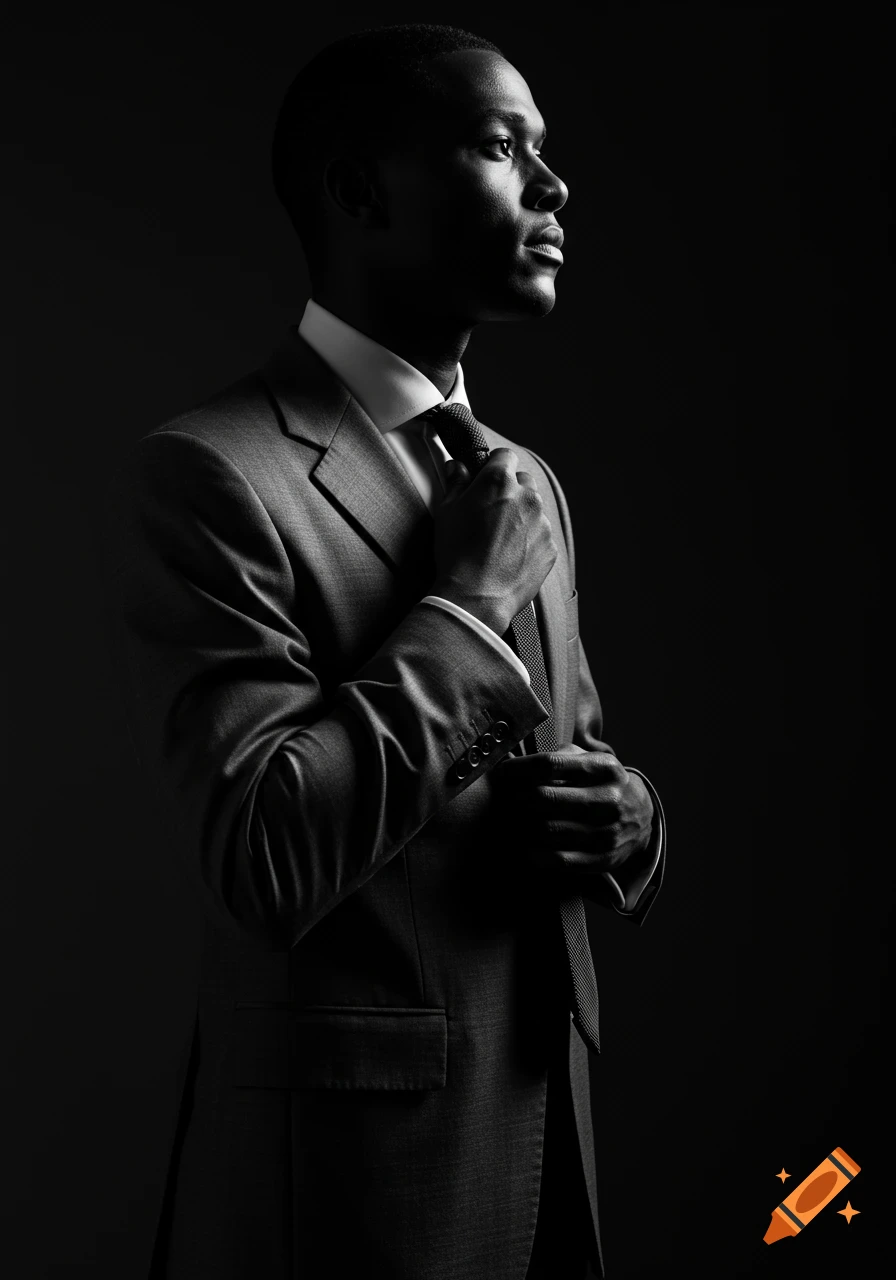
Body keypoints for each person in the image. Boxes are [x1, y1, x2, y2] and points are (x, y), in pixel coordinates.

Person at [101, 23, 666, 1280]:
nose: (552, 184)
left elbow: (569, 750)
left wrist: (628, 818)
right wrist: (468, 603)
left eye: (543, 149)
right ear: (361, 192)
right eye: (498, 146)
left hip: (549, 1144)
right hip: (353, 1188)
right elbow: (260, 852)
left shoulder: (523, 483)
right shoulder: (209, 473)